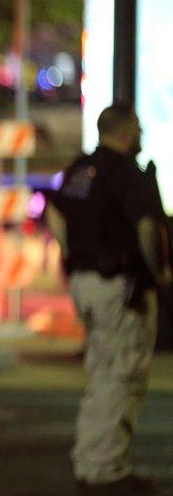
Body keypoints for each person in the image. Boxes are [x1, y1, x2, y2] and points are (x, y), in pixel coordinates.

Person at [47, 103, 171, 494]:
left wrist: (72, 257)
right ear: (125, 131)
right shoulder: (128, 175)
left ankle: (94, 462)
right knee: (122, 375)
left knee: (103, 373)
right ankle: (104, 470)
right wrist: (160, 273)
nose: (142, 135)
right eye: (137, 127)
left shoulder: (81, 168)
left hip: (87, 283)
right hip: (120, 285)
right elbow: (149, 228)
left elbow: (56, 212)